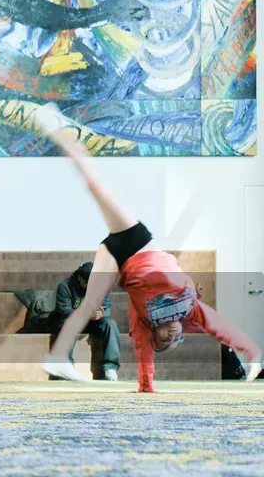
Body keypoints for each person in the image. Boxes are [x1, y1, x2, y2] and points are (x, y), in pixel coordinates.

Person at [36, 104, 262, 391]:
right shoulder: (189, 309)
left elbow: (144, 353)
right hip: (138, 245)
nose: (170, 334)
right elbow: (219, 327)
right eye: (173, 338)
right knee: (96, 186)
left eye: (163, 339)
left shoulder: (143, 321)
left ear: (153, 332)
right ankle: (58, 129)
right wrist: (252, 351)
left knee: (89, 306)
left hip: (121, 259)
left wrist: (146, 386)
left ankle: (57, 357)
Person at [50, 262, 120, 381]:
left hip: (92, 322)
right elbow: (63, 310)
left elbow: (107, 307)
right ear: (80, 278)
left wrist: (101, 314)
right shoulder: (65, 285)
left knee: (110, 324)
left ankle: (110, 368)